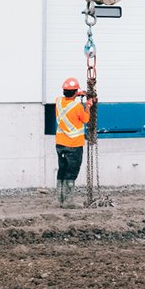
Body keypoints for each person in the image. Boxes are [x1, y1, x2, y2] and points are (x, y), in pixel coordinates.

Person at [54, 77, 93, 208]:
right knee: (71, 172)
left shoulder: (58, 101)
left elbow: (66, 99)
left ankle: (60, 200)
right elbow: (86, 119)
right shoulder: (77, 107)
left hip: (60, 144)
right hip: (74, 145)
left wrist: (77, 94)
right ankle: (69, 202)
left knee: (62, 169)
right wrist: (88, 106)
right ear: (75, 92)